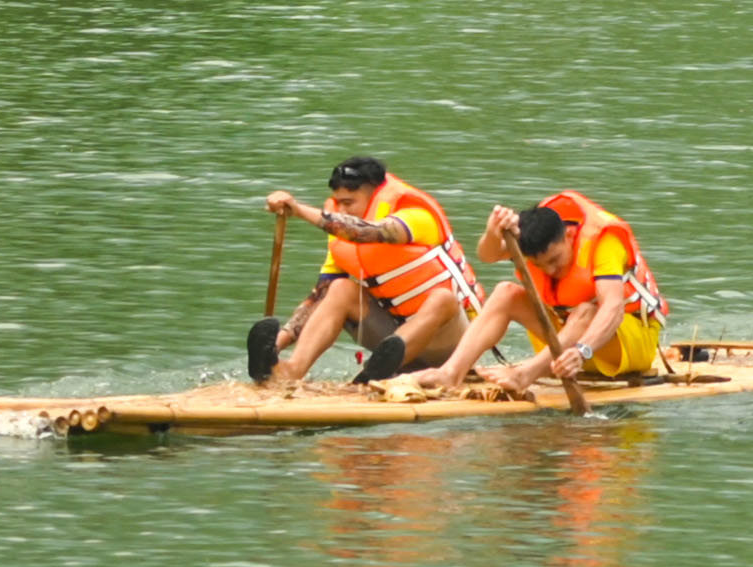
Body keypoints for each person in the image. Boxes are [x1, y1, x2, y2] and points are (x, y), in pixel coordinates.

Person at [395, 192, 669, 401]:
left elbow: (612, 308)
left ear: (569, 236)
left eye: (555, 261)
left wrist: (581, 351)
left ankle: (524, 374)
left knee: (585, 310)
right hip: (566, 349)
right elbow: (487, 255)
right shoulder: (531, 238)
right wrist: (493, 230)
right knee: (505, 292)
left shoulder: (604, 242)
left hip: (627, 347)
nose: (550, 271)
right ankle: (450, 373)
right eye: (540, 265)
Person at [250, 157, 482, 386]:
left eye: (349, 203)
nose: (342, 211)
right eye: (338, 203)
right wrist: (274, 346)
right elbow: (319, 297)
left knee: (443, 298)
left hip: (451, 344)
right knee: (339, 288)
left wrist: (298, 210)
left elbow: (367, 232)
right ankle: (290, 371)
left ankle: (374, 372)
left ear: (374, 193)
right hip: (392, 340)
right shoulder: (342, 241)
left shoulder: (416, 215)